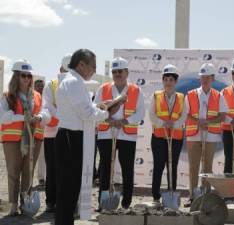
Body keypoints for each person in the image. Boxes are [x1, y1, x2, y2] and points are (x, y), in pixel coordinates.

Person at [55, 49, 110, 225]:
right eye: (92, 66)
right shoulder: (73, 83)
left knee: (70, 189)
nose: (94, 70)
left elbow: (86, 109)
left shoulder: (74, 82)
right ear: (81, 65)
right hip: (71, 137)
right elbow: (86, 113)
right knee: (68, 188)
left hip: (74, 136)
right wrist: (104, 113)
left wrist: (99, 108)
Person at [94, 57, 145, 210]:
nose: (117, 74)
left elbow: (140, 112)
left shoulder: (136, 90)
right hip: (106, 133)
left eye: (120, 71)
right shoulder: (103, 89)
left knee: (127, 169)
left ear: (127, 72)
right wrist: (109, 120)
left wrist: (124, 121)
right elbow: (96, 109)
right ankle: (103, 203)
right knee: (105, 169)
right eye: (114, 72)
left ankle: (126, 203)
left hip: (127, 134)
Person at [0, 60, 47, 216]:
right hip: (13, 140)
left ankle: (25, 202)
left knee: (29, 171)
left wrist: (39, 116)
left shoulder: (37, 96)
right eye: (23, 75)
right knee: (13, 172)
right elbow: (3, 117)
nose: (26, 78)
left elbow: (47, 113)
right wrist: (23, 118)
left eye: (29, 75)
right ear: (16, 77)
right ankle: (13, 204)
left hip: (34, 139)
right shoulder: (8, 96)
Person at [184, 63, 227, 207]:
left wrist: (207, 122)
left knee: (207, 167)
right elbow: (186, 114)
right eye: (202, 77)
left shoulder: (218, 95)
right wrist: (198, 122)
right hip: (193, 135)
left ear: (213, 78)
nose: (204, 80)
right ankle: (192, 196)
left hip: (211, 135)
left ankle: (206, 196)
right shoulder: (190, 95)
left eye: (207, 77)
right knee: (193, 167)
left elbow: (222, 116)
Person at [149, 64, 187, 206]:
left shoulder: (182, 97)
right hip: (159, 136)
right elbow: (152, 114)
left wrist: (175, 124)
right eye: (166, 79)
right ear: (163, 81)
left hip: (175, 137)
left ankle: (172, 193)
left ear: (175, 82)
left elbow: (184, 115)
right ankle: (156, 197)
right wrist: (163, 123)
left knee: (173, 166)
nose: (168, 82)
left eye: (171, 79)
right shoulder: (156, 95)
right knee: (158, 166)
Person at [40, 54, 71, 213]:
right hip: (52, 134)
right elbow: (47, 107)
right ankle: (50, 201)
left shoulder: (78, 85)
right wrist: (65, 115)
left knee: (66, 169)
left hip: (70, 134)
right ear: (60, 69)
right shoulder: (51, 85)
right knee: (52, 169)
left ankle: (63, 201)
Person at [34, 79, 46, 186]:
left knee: (42, 156)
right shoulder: (31, 98)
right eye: (38, 86)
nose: (40, 88)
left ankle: (41, 178)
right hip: (31, 132)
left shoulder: (46, 99)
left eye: (42, 86)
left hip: (43, 132)